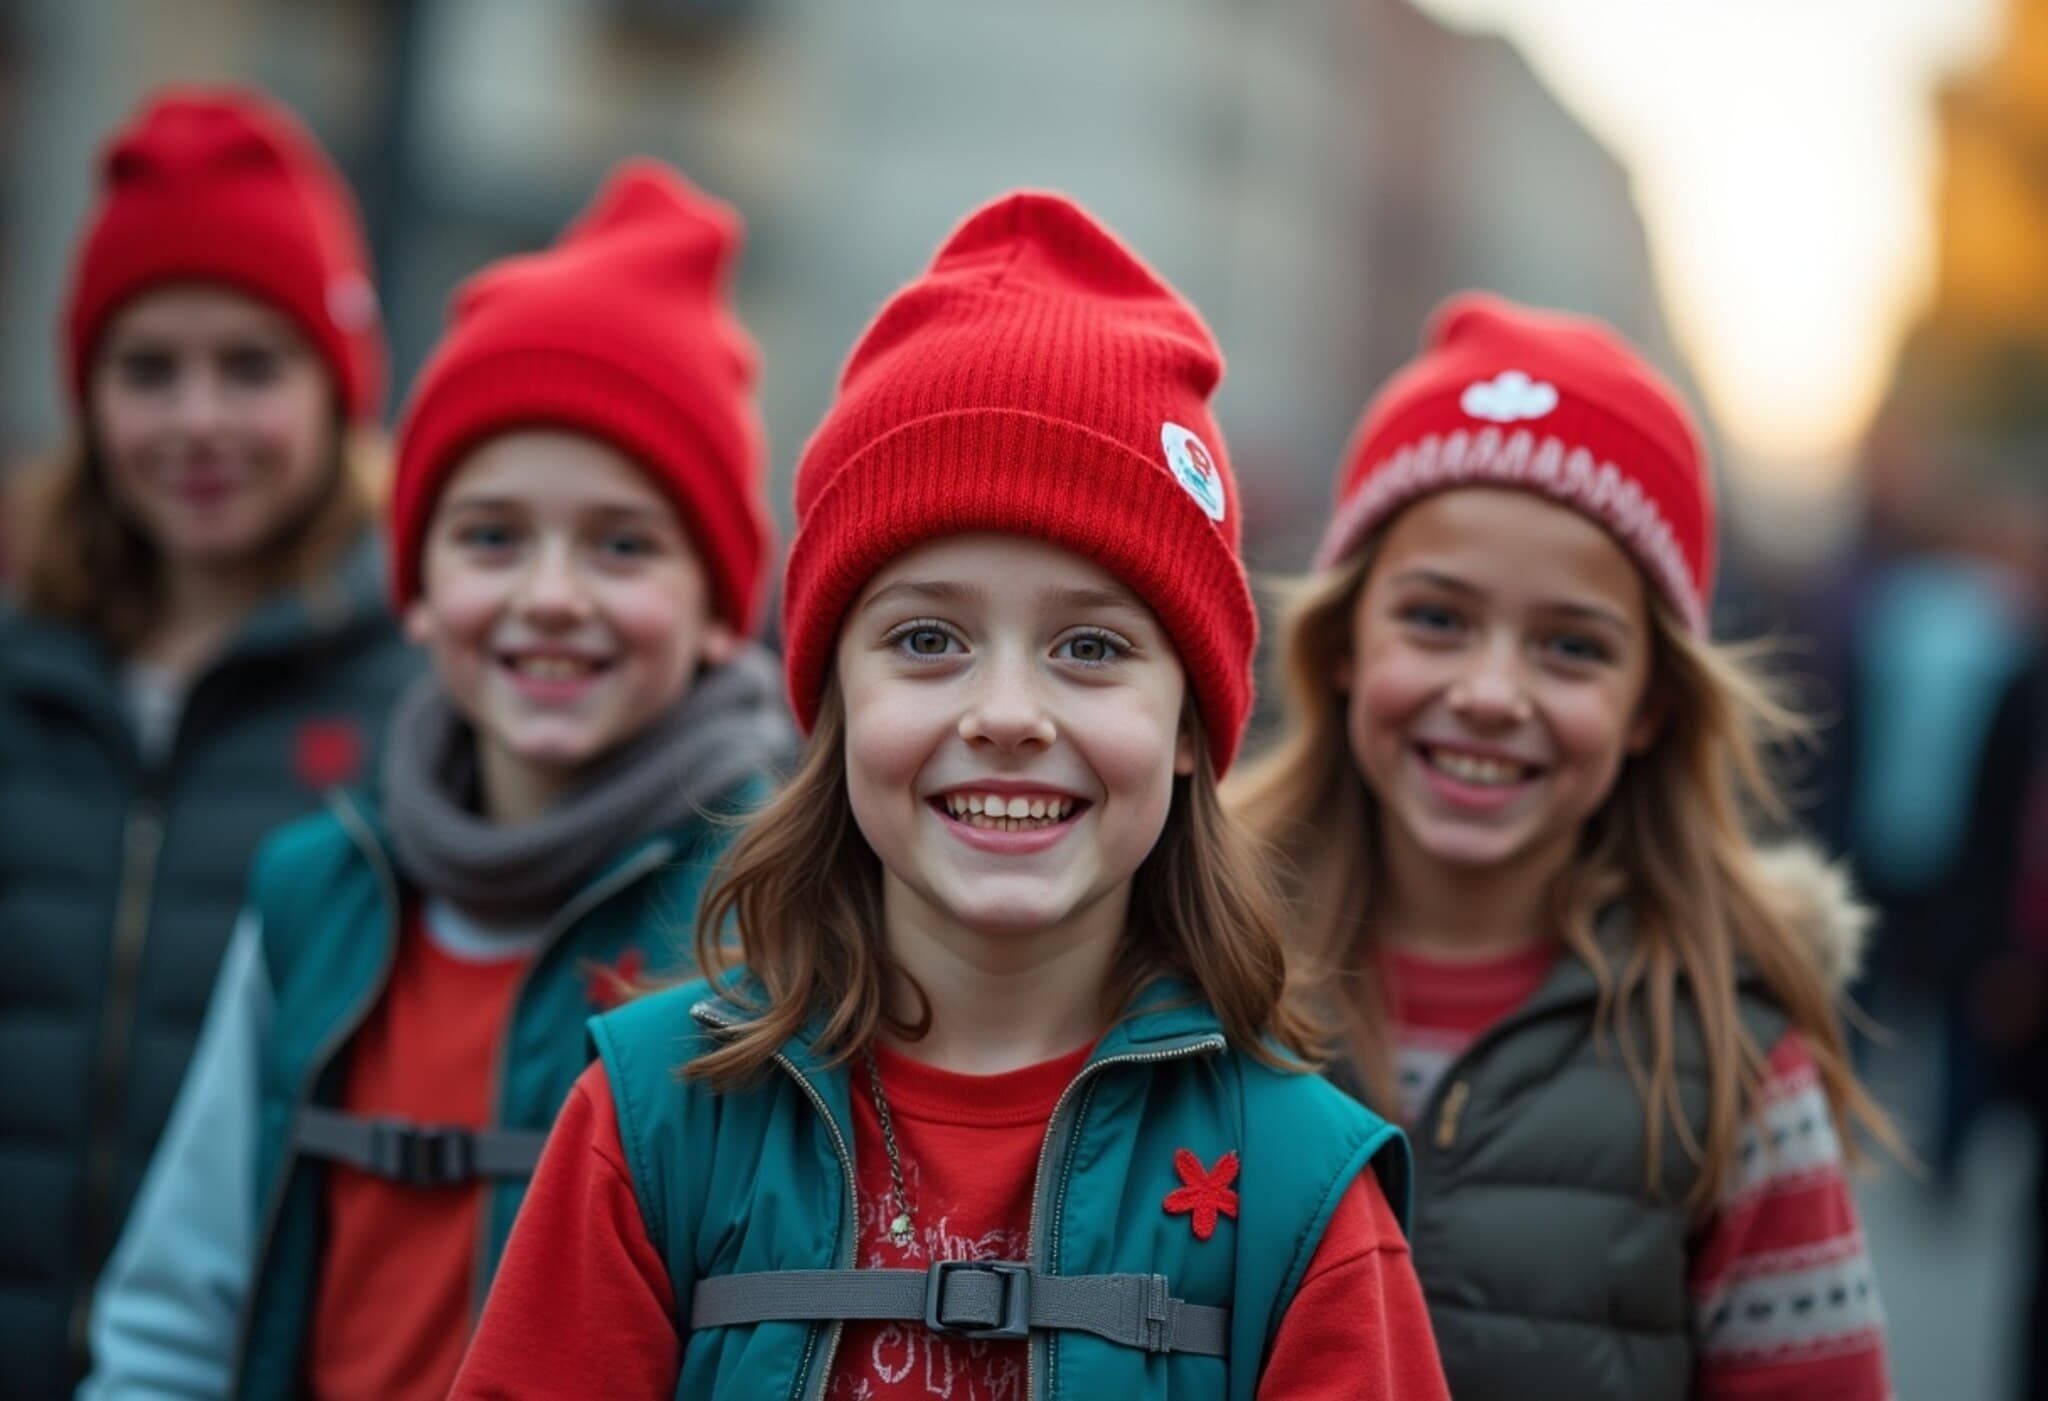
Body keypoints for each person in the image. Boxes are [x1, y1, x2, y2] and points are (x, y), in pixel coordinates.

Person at [453, 191, 1450, 1400]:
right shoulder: (657, 1120)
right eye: (927, 639)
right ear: (832, 698)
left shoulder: (1298, 1191)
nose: (1006, 713)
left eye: (1089, 648)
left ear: (1191, 724)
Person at [80, 159, 793, 1400]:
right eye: (491, 536)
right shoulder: (315, 891)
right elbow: (174, 1321)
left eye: (622, 544)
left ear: (721, 609)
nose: (550, 596)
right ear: (415, 588)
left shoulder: (773, 907)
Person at [1229, 293, 1900, 1399]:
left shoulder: (1731, 1054)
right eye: (1436, 619)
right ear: (1344, 642)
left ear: (1650, 705)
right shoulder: (1186, 967)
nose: (1491, 692)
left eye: (1571, 647)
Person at [0, 86, 419, 1395]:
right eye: (147, 369)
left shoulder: (421, 704)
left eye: (250, 366)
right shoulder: (20, 671)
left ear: (337, 386)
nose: (196, 421)